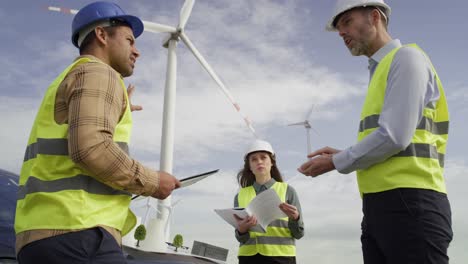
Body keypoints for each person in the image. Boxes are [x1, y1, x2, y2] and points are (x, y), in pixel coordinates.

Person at [14, 2, 181, 263]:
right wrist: (153, 182)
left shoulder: (68, 77)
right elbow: (90, 149)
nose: (137, 51)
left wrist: (114, 105)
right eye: (129, 40)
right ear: (102, 35)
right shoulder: (98, 72)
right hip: (80, 232)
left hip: (41, 235)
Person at [298, 0, 452, 263]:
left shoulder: (406, 58)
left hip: (412, 202)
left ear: (375, 17)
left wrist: (335, 162)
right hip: (381, 206)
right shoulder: (380, 70)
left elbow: (394, 136)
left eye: (346, 22)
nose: (342, 33)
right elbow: (392, 136)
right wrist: (346, 153)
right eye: (338, 29)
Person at [234, 139, 304, 264]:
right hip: (248, 259)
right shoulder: (240, 196)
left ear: (272, 162)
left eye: (263, 157)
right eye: (254, 159)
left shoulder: (288, 191)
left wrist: (295, 218)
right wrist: (242, 230)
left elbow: (299, 233)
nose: (259, 161)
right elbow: (240, 237)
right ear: (249, 166)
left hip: (281, 258)